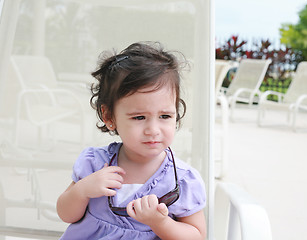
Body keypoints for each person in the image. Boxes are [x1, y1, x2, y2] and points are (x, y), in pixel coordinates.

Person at [57, 42, 207, 240]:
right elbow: (65, 214)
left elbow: (197, 236)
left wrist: (160, 222)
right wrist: (83, 190)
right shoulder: (95, 164)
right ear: (109, 117)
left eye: (165, 116)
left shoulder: (181, 180)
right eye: (139, 117)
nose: (153, 130)